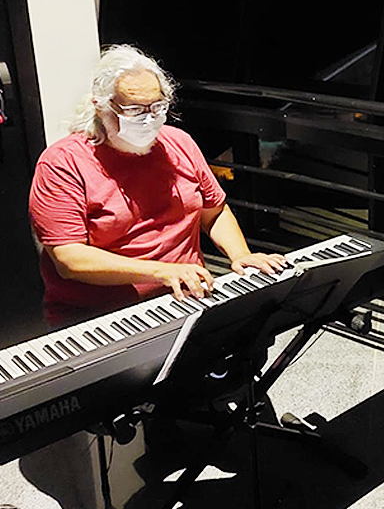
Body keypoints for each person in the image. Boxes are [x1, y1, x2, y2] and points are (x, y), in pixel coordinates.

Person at [29, 44, 287, 326]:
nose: (149, 118)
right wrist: (161, 272)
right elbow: (69, 259)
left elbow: (214, 212)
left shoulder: (179, 143)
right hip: (101, 317)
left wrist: (240, 255)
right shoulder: (63, 163)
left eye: (157, 107)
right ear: (100, 106)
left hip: (186, 298)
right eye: (134, 110)